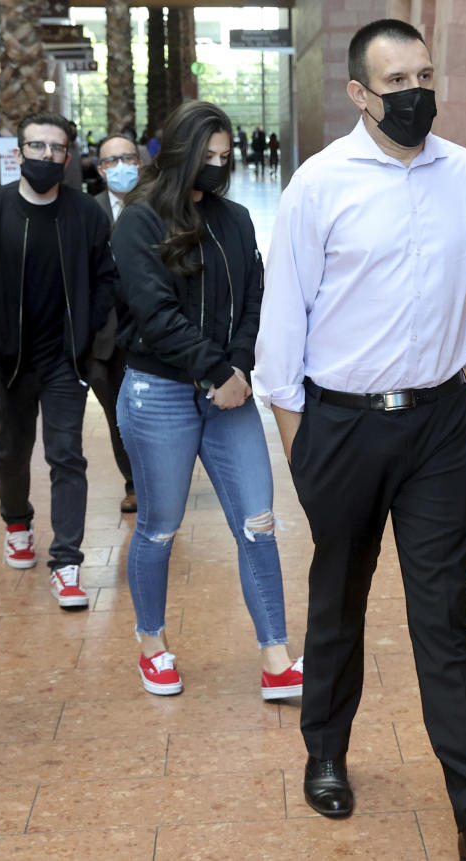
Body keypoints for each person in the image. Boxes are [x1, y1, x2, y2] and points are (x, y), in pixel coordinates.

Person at [253, 19, 466, 861]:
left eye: (425, 74)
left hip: (444, 424)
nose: (418, 92)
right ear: (359, 93)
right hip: (340, 422)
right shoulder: (320, 182)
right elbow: (282, 330)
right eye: (398, 80)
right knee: (338, 596)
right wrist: (301, 446)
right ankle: (327, 752)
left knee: (443, 615)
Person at [111, 101, 303, 700]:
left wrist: (238, 368)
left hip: (229, 392)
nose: (218, 167)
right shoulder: (138, 221)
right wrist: (216, 370)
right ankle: (152, 643)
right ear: (179, 153)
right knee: (160, 528)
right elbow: (155, 314)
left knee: (259, 523)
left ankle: (276, 658)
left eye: (225, 157)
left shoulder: (237, 218)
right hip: (160, 393)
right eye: (207, 157)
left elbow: (255, 299)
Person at [0, 111, 116, 609]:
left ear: (68, 157)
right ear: (19, 153)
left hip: (62, 360)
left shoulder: (86, 214)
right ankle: (17, 521)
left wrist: (88, 332)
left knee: (66, 455)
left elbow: (105, 277)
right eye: (37, 147)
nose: (46, 157)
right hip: (8, 360)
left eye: (56, 149)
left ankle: (68, 562)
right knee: (11, 451)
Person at [91, 134, 144, 512]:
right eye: (111, 161)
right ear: (100, 169)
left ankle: (160, 479)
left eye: (127, 158)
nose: (120, 167)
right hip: (103, 336)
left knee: (154, 412)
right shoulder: (88, 211)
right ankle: (134, 484)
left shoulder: (158, 208)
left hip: (152, 332)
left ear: (140, 163)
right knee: (117, 417)